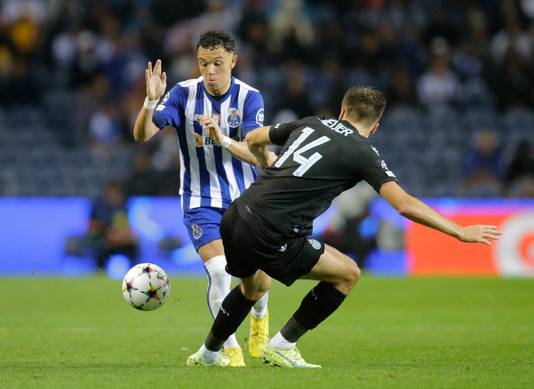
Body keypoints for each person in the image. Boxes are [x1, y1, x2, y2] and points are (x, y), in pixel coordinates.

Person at [186, 86, 501, 368]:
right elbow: (403, 204)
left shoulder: (312, 122)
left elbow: (253, 138)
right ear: (374, 127)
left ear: (342, 110)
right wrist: (459, 231)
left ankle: (209, 353)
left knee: (251, 288)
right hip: (272, 231)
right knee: (348, 273)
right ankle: (283, 345)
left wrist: (264, 161)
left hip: (237, 215)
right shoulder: (362, 151)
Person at [132, 31, 271, 366]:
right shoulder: (183, 94)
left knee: (257, 278)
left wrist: (222, 138)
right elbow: (142, 134)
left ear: (233, 62)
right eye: (204, 63)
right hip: (199, 200)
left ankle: (260, 316)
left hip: (243, 200)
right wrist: (150, 102)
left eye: (217, 63)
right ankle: (230, 347)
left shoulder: (250, 98)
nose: (209, 71)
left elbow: (257, 156)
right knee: (220, 271)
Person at [88, 181, 139, 270]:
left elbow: (126, 227)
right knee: (99, 247)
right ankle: (100, 270)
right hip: (103, 238)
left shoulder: (123, 207)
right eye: (112, 192)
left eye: (117, 193)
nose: (115, 195)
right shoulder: (98, 206)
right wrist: (106, 233)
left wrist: (120, 237)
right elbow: (91, 226)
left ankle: (133, 270)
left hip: (119, 239)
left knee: (133, 243)